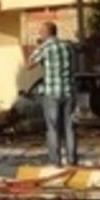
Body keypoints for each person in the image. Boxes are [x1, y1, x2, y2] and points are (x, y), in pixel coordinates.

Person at [28, 21, 77, 166]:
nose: (39, 34)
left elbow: (29, 65)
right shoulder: (68, 46)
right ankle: (72, 159)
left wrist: (38, 48)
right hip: (68, 91)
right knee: (69, 127)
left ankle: (55, 160)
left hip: (52, 92)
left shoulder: (45, 47)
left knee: (53, 128)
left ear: (46, 33)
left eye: (41, 31)